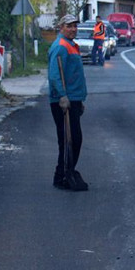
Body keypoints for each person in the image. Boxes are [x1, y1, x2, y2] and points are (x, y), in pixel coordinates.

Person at [48, 13, 88, 191]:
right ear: (61, 27)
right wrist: (62, 96)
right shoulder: (61, 47)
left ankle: (67, 171)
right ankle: (62, 175)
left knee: (75, 139)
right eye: (69, 26)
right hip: (64, 101)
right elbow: (55, 74)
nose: (73, 29)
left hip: (73, 99)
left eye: (75, 26)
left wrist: (79, 100)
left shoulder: (70, 45)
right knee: (68, 140)